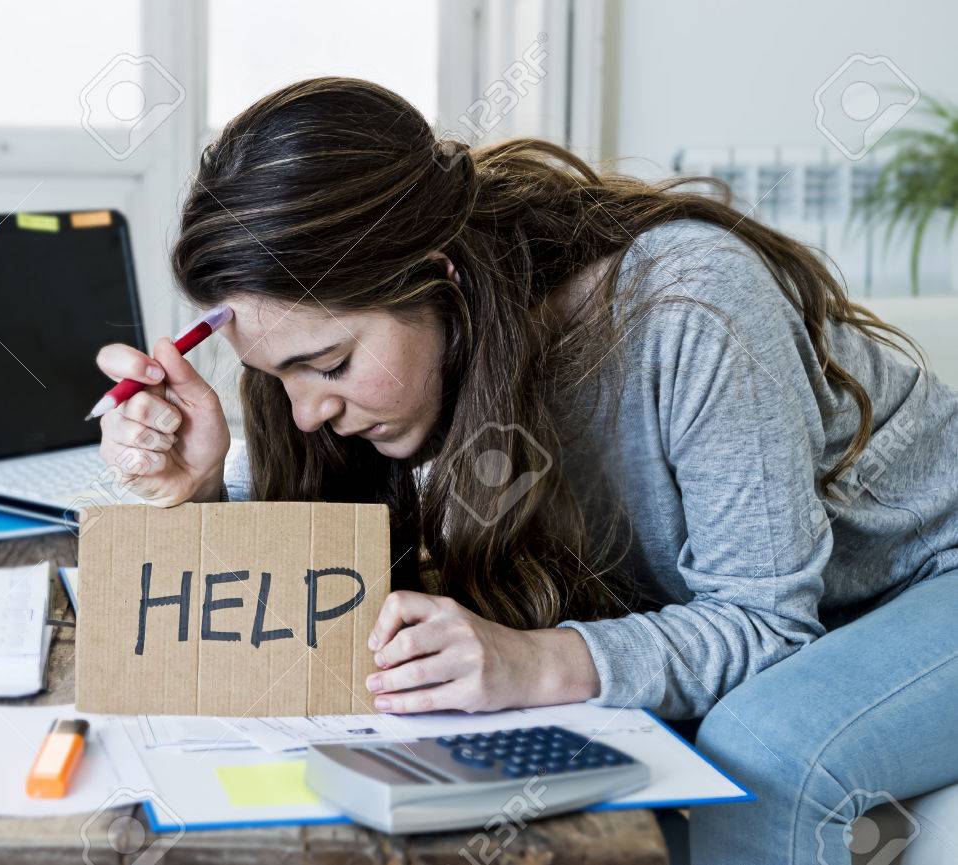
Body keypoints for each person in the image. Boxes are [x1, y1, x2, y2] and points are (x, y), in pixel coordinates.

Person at [93, 78, 958, 863]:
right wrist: (199, 489)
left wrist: (536, 661)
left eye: (331, 362)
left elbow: (768, 624)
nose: (308, 410)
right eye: (277, 375)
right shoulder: (435, 354)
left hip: (928, 571)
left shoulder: (693, 304)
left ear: (439, 279)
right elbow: (329, 584)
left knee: (768, 749)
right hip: (814, 600)